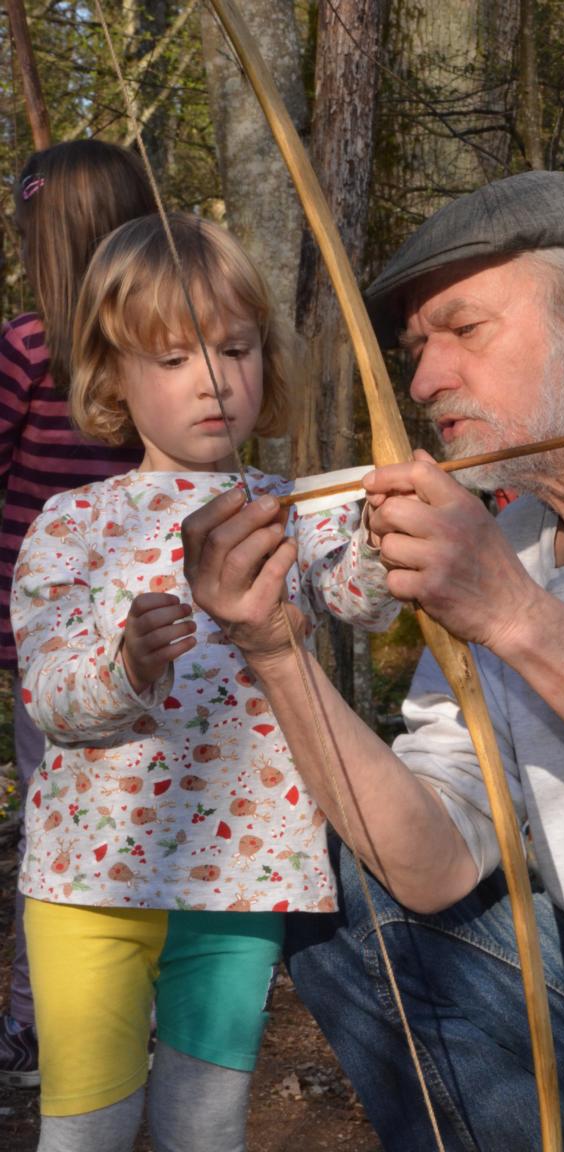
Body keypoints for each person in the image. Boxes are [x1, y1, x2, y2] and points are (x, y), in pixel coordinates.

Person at [180, 170, 564, 1152]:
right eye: (416, 350)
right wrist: (273, 647)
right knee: (331, 889)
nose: (422, 383)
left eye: (463, 329)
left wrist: (511, 612)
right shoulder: (513, 542)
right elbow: (433, 868)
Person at [10, 211, 398, 1152]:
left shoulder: (294, 508)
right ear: (113, 376)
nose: (214, 380)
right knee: (88, 1126)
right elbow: (50, 697)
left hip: (242, 874)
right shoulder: (72, 521)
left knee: (205, 1124)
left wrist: (387, 527)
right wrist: (128, 665)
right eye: (174, 357)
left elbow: (363, 599)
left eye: (234, 349)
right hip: (91, 876)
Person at [0, 139, 153, 1088]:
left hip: (59, 642)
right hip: (144, 635)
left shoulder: (28, 347)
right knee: (131, 813)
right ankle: (115, 1007)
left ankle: (38, 1021)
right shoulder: (157, 345)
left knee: (56, 821)